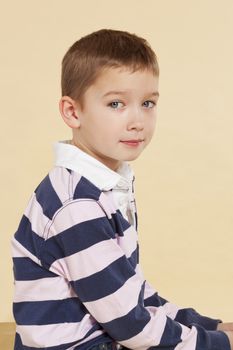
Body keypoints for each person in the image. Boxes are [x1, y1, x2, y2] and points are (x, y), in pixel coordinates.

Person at [12, 28, 233, 350]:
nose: (137, 121)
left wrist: (206, 326)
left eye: (147, 103)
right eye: (116, 104)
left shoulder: (102, 187)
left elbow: (132, 294)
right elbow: (131, 326)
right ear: (73, 112)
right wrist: (217, 343)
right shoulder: (76, 205)